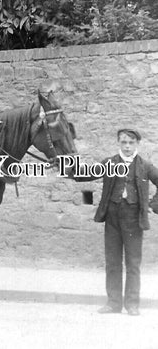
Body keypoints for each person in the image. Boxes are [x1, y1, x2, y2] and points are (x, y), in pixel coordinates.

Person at [70, 129, 158, 316]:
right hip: (112, 217)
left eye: (131, 143)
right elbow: (85, 174)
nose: (127, 147)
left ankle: (132, 304)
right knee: (112, 262)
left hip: (134, 219)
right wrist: (67, 166)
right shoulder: (109, 163)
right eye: (124, 142)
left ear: (137, 144)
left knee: (133, 263)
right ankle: (113, 303)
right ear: (118, 143)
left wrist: (153, 204)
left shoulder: (145, 165)